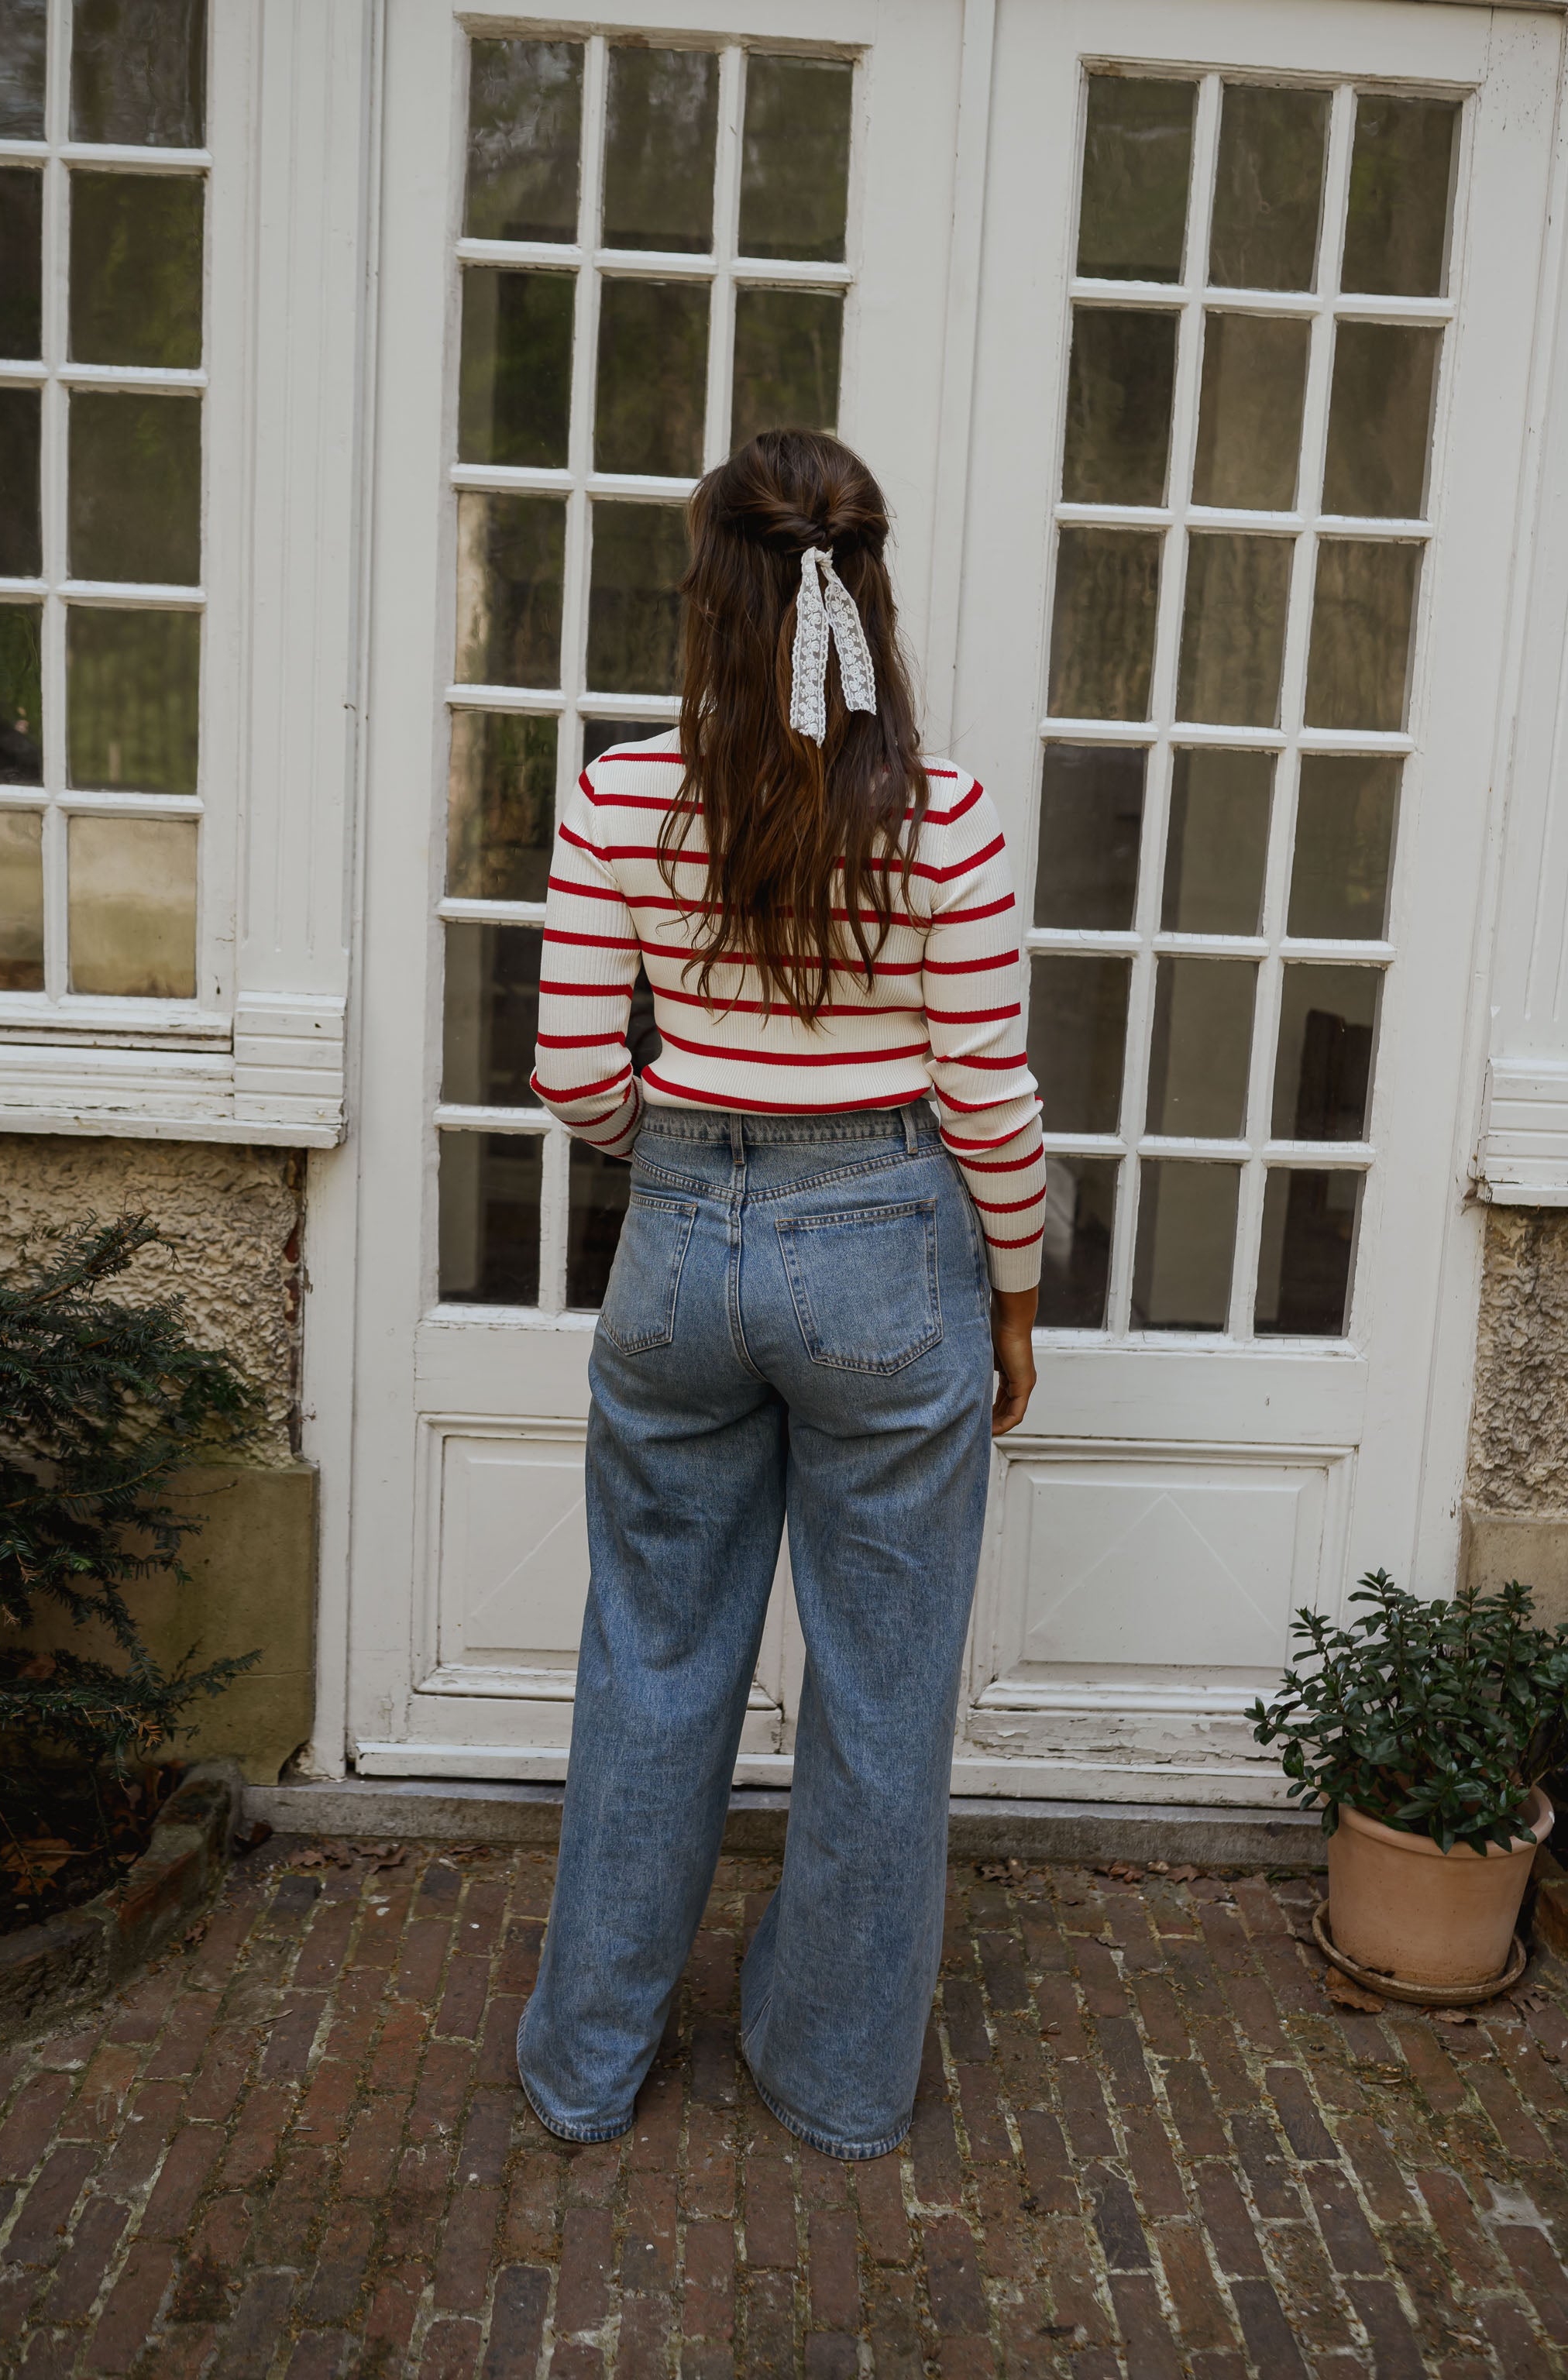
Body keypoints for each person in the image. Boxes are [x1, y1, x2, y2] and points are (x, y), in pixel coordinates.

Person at [517, 428, 1044, 2161]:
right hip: (890, 1260)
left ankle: (587, 2066)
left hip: (680, 1237)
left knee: (652, 1661)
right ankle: (829, 2079)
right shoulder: (942, 817)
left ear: (709, 592)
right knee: (883, 1693)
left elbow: (572, 1067)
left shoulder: (618, 797)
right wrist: (1013, 1297)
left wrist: (668, 1162)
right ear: (862, 592)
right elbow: (982, 1088)